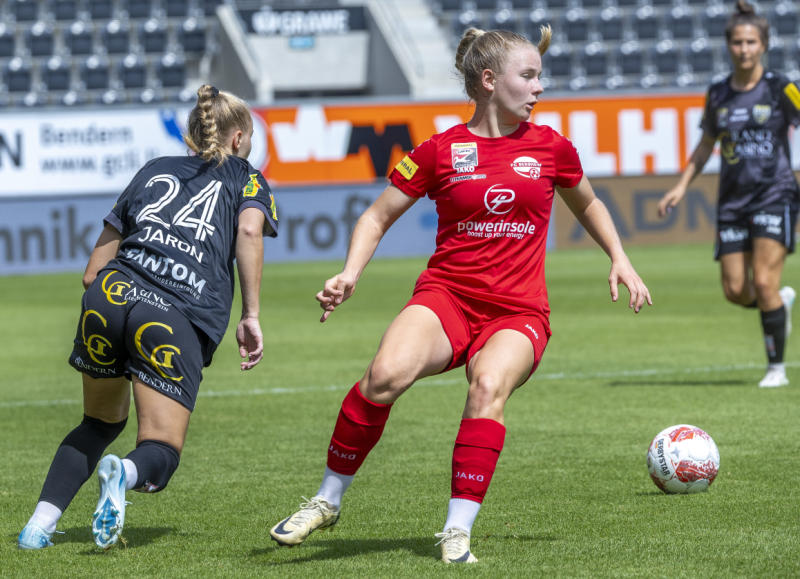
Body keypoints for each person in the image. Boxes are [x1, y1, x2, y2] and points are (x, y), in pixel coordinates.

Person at [268, 26, 651, 564]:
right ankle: (326, 501)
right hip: (448, 297)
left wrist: (619, 256)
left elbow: (587, 203)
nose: (540, 87)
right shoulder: (440, 149)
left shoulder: (551, 147)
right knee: (383, 377)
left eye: (539, 76)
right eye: (529, 76)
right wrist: (350, 273)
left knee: (487, 385)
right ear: (489, 80)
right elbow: (376, 217)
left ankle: (456, 531)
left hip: (518, 311)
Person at [17, 85, 278, 550]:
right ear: (238, 138)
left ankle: (38, 527)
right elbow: (249, 229)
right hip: (172, 314)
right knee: (160, 448)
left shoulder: (154, 169)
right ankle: (124, 472)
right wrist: (251, 313)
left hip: (109, 296)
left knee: (99, 422)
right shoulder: (248, 178)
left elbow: (92, 272)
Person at [657, 0, 800, 388]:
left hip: (775, 194)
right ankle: (779, 305)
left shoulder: (782, 87)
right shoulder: (718, 93)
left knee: (765, 282)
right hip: (733, 202)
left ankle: (776, 369)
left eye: (751, 42)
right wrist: (680, 186)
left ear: (764, 45)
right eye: (738, 42)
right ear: (728, 45)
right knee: (736, 290)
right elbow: (706, 145)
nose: (744, 49)